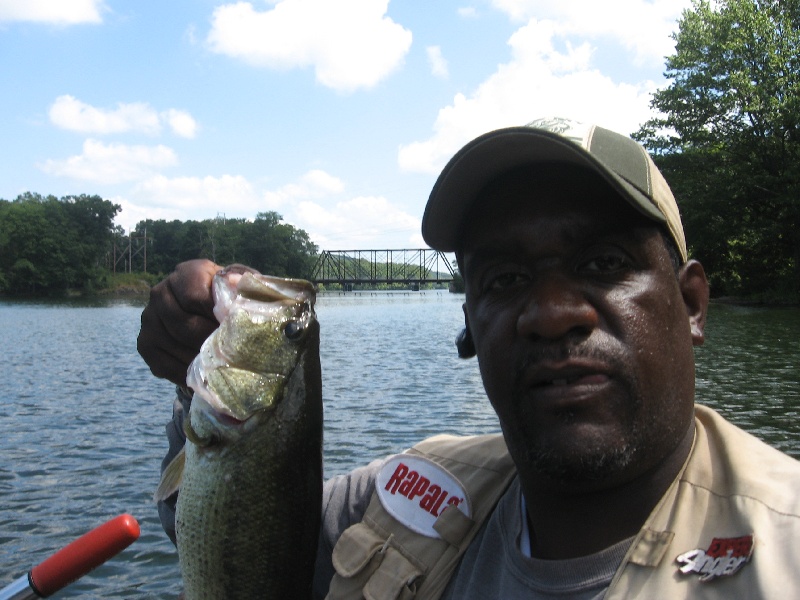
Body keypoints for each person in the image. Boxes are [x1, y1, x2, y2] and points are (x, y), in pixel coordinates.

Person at [138, 117, 800, 599]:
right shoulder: (403, 497)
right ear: (473, 329)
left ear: (689, 305)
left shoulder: (785, 553)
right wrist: (193, 376)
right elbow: (226, 536)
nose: (551, 312)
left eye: (603, 264)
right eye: (505, 280)